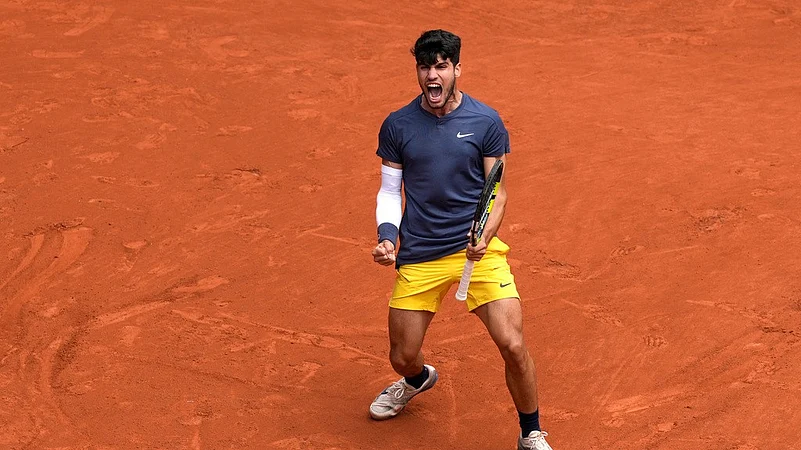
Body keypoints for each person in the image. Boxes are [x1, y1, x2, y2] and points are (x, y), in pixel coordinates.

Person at [369, 29, 553, 450]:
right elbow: (389, 191)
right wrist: (387, 237)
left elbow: (497, 192)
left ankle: (531, 432)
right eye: (424, 67)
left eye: (441, 67)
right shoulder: (398, 125)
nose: (432, 76)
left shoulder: (484, 121)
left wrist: (484, 236)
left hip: (477, 250)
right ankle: (417, 379)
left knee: (512, 343)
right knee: (402, 356)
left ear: (456, 70)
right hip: (421, 252)